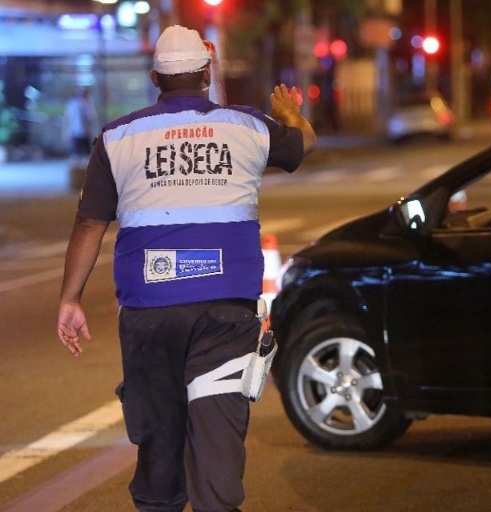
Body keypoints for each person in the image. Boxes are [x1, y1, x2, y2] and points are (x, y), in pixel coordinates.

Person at [56, 25, 316, 512]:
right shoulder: (248, 125)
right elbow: (303, 147)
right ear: (206, 72)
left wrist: (70, 300)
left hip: (149, 313)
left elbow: (89, 223)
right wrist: (292, 114)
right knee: (217, 441)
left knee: (158, 433)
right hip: (225, 313)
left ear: (155, 77)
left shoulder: (117, 137)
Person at [64, 86, 98, 166]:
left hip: (85, 132)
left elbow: (92, 116)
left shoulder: (87, 104)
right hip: (75, 131)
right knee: (76, 154)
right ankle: (76, 171)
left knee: (86, 153)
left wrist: (89, 103)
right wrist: (65, 130)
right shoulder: (72, 104)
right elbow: (67, 118)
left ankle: (87, 170)